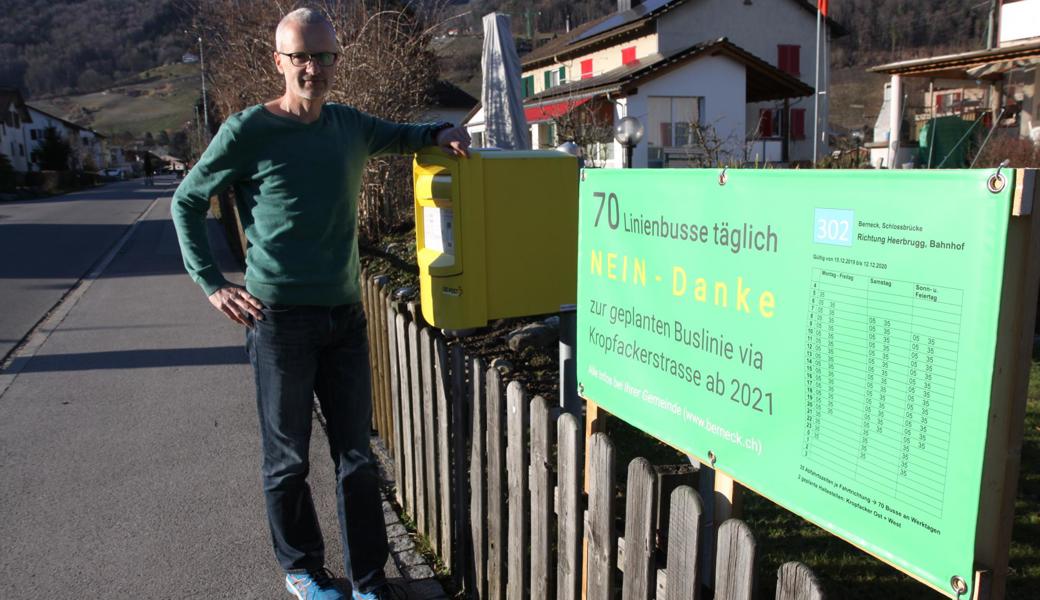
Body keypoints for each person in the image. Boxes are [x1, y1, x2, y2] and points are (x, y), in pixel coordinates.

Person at [171, 7, 470, 600]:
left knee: (357, 458)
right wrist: (212, 283)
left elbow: (404, 136)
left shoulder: (348, 124)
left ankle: (367, 580)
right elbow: (186, 200)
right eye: (301, 56)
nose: (314, 67)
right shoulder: (248, 130)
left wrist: (440, 133)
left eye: (324, 55)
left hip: (344, 318)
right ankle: (304, 570)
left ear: (337, 59)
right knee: (287, 461)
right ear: (279, 61)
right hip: (277, 320)